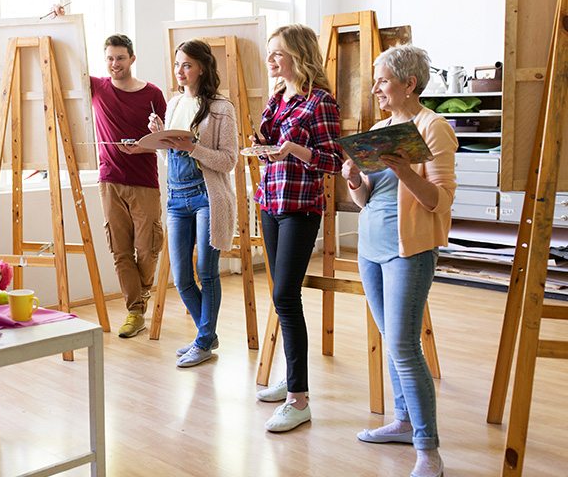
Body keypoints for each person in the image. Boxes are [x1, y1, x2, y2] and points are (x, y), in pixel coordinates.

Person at [342, 44, 455, 477]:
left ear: (409, 84)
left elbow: (438, 201)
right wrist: (355, 181)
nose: (375, 88)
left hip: (410, 249)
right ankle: (404, 422)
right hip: (370, 247)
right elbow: (367, 197)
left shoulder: (433, 128)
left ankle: (429, 451)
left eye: (383, 80)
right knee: (392, 340)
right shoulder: (381, 127)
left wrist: (405, 168)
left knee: (405, 347)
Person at [50, 3, 167, 338]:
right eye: (110, 59)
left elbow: (166, 139)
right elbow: (67, 62)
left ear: (132, 58)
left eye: (120, 58)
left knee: (148, 248)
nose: (114, 64)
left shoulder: (152, 93)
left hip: (145, 181)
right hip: (109, 179)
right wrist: (61, 23)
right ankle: (135, 310)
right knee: (120, 249)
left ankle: (142, 290)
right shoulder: (98, 88)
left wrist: (143, 145)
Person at [252, 25, 343, 432]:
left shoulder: (320, 102)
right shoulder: (277, 98)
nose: (271, 60)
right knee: (280, 295)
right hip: (269, 202)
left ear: (299, 56)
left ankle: (298, 399)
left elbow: (333, 160)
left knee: (287, 295)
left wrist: (294, 150)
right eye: (269, 54)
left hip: (301, 207)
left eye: (278, 54)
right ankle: (292, 382)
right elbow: (268, 147)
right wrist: (260, 147)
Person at [147, 38, 238, 368]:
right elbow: (168, 155)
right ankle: (207, 334)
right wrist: (160, 135)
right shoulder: (172, 104)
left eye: (186, 64)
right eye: (177, 64)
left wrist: (192, 148)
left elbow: (229, 161)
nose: (180, 71)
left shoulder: (221, 108)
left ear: (202, 67)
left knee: (206, 272)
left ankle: (203, 341)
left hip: (206, 196)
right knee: (181, 277)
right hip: (176, 197)